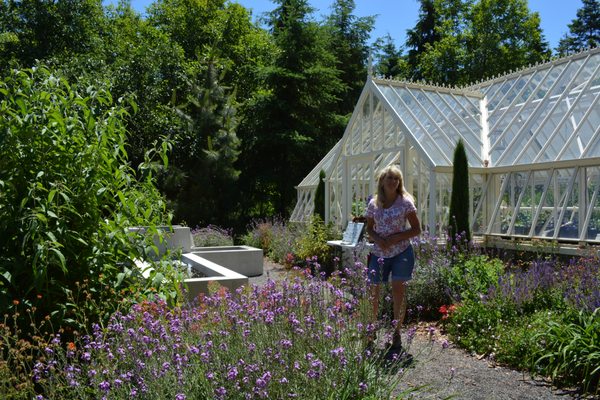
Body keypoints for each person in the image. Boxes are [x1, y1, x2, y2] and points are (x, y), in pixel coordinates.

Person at [365, 164, 421, 353]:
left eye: (396, 178)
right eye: (390, 178)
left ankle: (396, 333)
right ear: (382, 181)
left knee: (399, 291)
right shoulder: (374, 203)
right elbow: (369, 228)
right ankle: (371, 331)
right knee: (374, 293)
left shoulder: (405, 202)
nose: (393, 181)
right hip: (379, 253)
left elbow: (416, 229)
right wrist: (379, 240)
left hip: (401, 253)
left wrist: (395, 238)